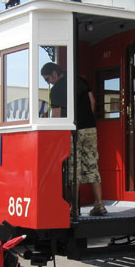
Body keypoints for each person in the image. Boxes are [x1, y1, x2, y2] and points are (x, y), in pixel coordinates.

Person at [41, 62, 107, 216]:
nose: (48, 83)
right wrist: (87, 121)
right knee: (92, 165)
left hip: (72, 131)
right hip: (90, 129)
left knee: (73, 169)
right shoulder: (80, 80)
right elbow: (92, 102)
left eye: (47, 79)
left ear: (55, 74)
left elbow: (56, 116)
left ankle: (75, 209)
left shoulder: (56, 90)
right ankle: (99, 205)